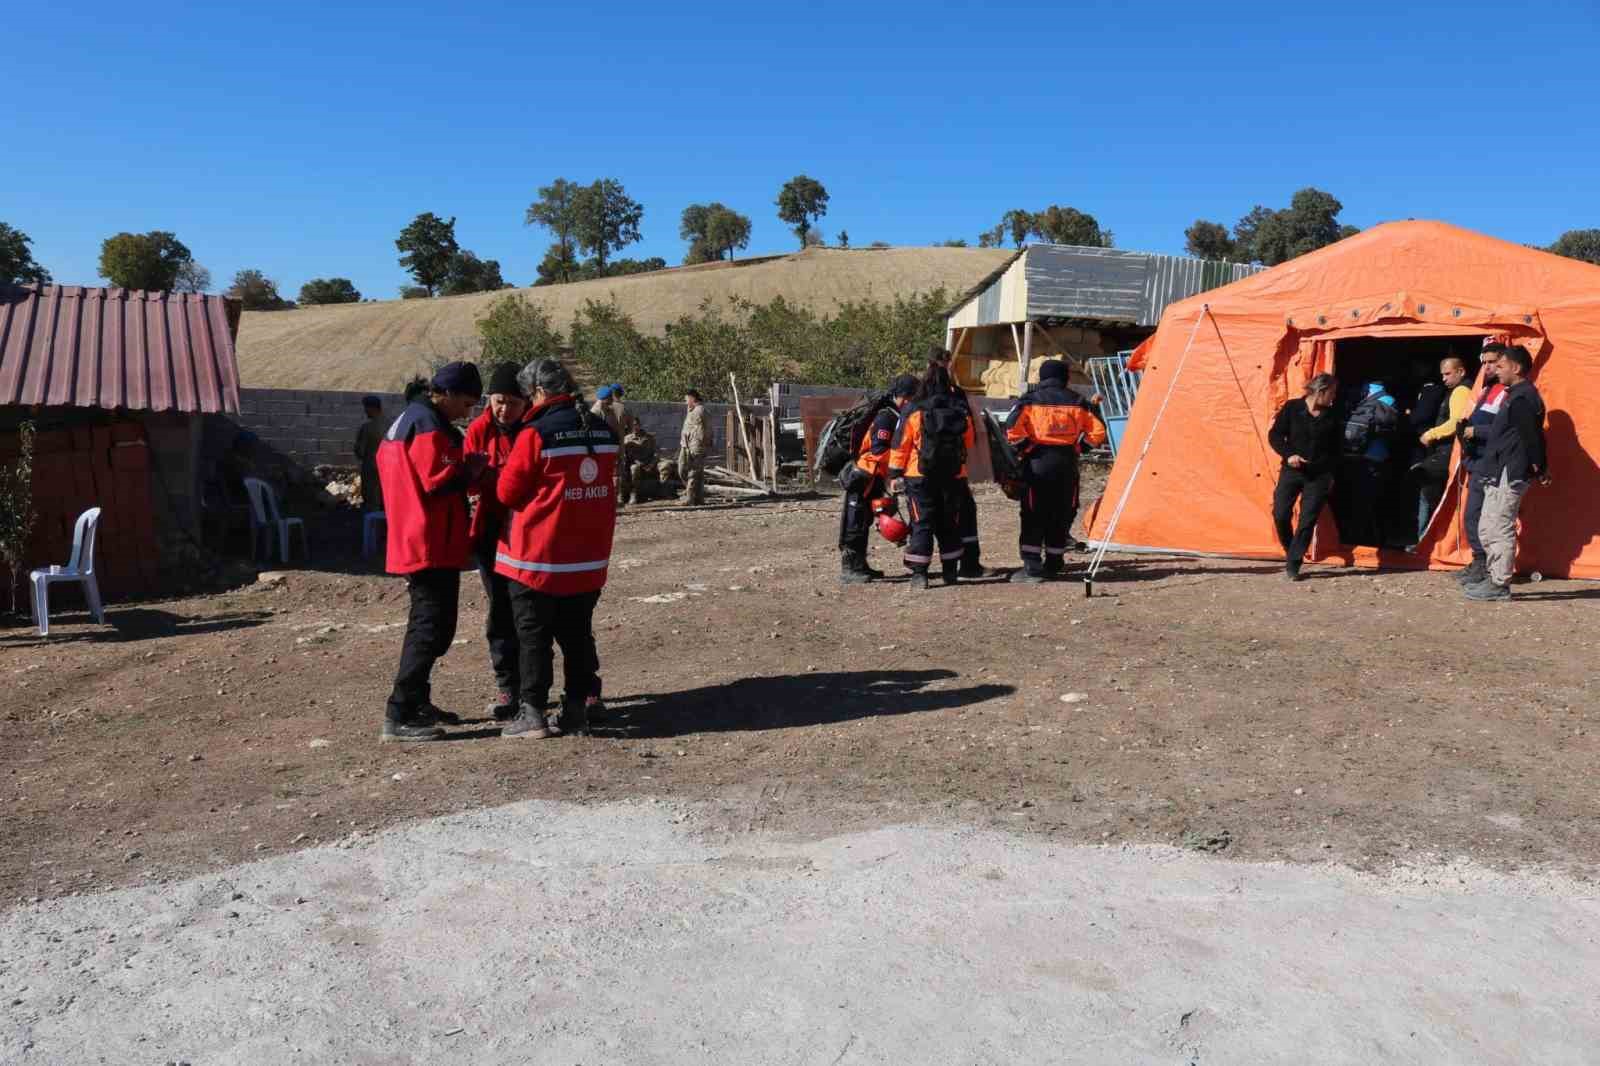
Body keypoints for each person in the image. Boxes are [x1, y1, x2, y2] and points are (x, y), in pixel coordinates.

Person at [495, 358, 620, 737]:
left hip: (537, 557)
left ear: (538, 392)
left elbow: (508, 492)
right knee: (578, 634)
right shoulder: (601, 430)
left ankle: (532, 712)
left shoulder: (536, 433)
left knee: (533, 636)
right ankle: (576, 711)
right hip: (588, 557)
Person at [376, 361, 487, 742]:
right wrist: (472, 468)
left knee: (434, 626)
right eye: (467, 403)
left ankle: (418, 703)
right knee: (429, 628)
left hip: (417, 535)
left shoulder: (409, 418)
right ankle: (399, 712)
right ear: (449, 394)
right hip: (428, 540)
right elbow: (436, 481)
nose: (468, 412)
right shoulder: (428, 425)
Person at [463, 364, 530, 720]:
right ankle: (508, 687)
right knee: (500, 610)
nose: (504, 409)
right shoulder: (478, 431)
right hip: (490, 533)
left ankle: (536, 686)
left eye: (513, 403)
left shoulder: (534, 431)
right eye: (499, 401)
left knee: (531, 611)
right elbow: (472, 481)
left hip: (528, 534)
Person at [1002, 360, 1107, 582]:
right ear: (1065, 377)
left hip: (1037, 464)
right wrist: (1079, 447)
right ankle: (1054, 562)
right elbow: (1098, 432)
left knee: (1033, 513)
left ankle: (1031, 567)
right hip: (1067, 463)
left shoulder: (1030, 401)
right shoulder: (1078, 402)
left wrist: (1028, 448)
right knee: (1061, 512)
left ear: (1042, 377)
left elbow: (1011, 430)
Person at [1466, 346, 1549, 601]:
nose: (1495, 371)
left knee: (1500, 525)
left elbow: (1532, 437)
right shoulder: (1514, 395)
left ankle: (1499, 584)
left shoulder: (1523, 397)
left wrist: (1540, 467)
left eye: (1500, 366)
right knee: (1488, 524)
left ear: (1516, 368)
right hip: (1498, 469)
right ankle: (1493, 578)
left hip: (1509, 471)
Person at [888, 362, 975, 589]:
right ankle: (950, 572)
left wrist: (895, 473)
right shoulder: (959, 409)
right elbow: (970, 441)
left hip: (919, 476)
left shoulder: (914, 410)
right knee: (949, 522)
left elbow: (900, 445)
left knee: (922, 522)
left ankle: (920, 575)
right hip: (953, 475)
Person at [840, 374, 918, 584]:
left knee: (864, 520)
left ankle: (860, 565)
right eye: (911, 397)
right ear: (905, 397)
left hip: (874, 476)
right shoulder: (887, 416)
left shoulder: (896, 415)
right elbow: (878, 449)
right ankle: (849, 569)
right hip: (864, 475)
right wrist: (900, 462)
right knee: (854, 521)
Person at [928, 346, 995, 577]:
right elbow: (967, 431)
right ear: (946, 365)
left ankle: (923, 571)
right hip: (953, 467)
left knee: (930, 517)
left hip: (922, 469)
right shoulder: (955, 394)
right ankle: (968, 564)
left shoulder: (917, 395)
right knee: (964, 512)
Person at [1269, 373, 1341, 581]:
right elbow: (1275, 435)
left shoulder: (1333, 415)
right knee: (1280, 513)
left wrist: (1331, 474)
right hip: (1292, 471)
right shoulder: (1293, 408)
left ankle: (1293, 563)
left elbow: (1337, 449)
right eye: (1331, 393)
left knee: (1307, 519)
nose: (1333, 398)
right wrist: (1288, 454)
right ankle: (1291, 548)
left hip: (1319, 475)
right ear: (1321, 391)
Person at [1456, 343, 1509, 585]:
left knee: (1481, 517)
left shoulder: (1507, 392)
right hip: (1477, 461)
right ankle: (1480, 561)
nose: (1487, 366)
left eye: (1492, 362)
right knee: (1473, 516)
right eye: (1484, 361)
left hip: (1492, 464)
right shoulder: (1487, 389)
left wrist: (1475, 430)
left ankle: (1486, 567)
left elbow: (1506, 430)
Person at [1411, 354, 1472, 541]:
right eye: (1442, 375)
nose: (1444, 379)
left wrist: (1431, 434)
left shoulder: (1461, 391)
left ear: (1460, 371)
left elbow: (1456, 423)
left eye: (1447, 374)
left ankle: (1427, 538)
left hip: (1448, 451)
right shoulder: (1458, 390)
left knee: (1426, 483)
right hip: (1446, 452)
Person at [1334, 380, 1400, 547]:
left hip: (1353, 455)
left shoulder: (1359, 397)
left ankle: (1351, 536)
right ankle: (1372, 539)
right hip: (1376, 456)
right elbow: (1392, 428)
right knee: (1373, 499)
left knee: (1353, 497)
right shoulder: (1388, 399)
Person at [353, 396, 385, 513]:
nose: (365, 411)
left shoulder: (367, 428)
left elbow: (360, 451)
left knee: (371, 505)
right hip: (388, 470)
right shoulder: (391, 424)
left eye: (366, 408)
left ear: (372, 408)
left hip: (371, 471)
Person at [679, 389, 710, 506]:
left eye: (686, 399)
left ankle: (691, 498)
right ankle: (698, 497)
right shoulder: (692, 410)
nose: (685, 401)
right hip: (687, 444)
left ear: (692, 398)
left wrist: (701, 445)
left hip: (695, 446)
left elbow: (705, 430)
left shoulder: (700, 410)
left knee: (692, 471)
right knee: (694, 472)